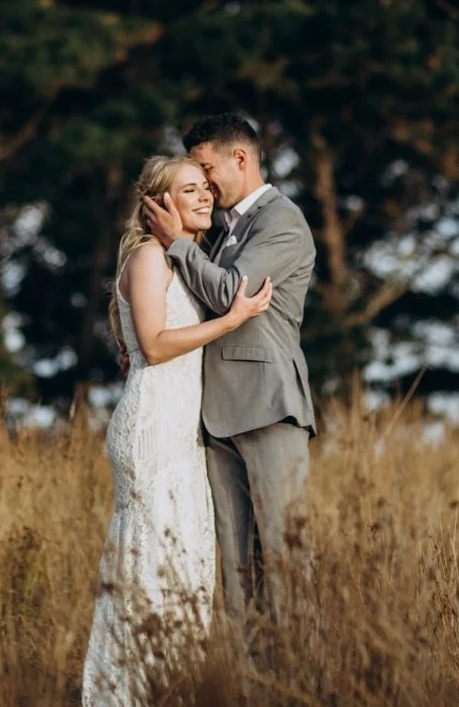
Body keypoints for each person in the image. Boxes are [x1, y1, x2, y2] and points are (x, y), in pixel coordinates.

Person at [82, 155, 273, 707]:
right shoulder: (147, 256)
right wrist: (232, 320)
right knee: (150, 574)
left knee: (184, 572)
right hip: (153, 428)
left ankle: (166, 692)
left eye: (206, 187)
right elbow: (156, 344)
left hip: (180, 431)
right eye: (190, 189)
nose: (205, 196)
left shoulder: (178, 258)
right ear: (157, 204)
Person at [142, 113, 318, 626]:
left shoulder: (282, 219)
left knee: (285, 563)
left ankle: (300, 685)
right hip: (216, 418)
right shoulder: (220, 231)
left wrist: (176, 244)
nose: (202, 184)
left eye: (205, 168)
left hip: (267, 408)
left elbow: (231, 294)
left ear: (239, 158)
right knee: (237, 574)